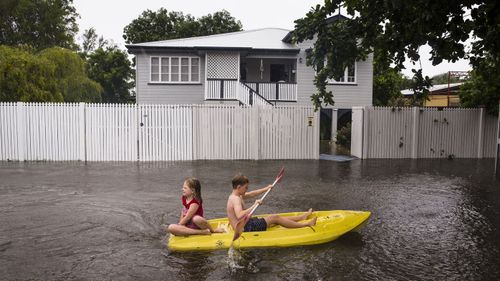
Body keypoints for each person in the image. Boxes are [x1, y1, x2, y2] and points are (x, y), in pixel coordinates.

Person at [226, 173, 317, 233]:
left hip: (247, 223)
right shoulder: (236, 199)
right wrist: (254, 205)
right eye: (246, 187)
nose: (247, 189)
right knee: (275, 218)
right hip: (245, 228)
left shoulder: (236, 195)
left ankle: (302, 217)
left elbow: (251, 194)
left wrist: (266, 188)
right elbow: (239, 215)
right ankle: (306, 224)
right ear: (239, 187)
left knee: (275, 217)